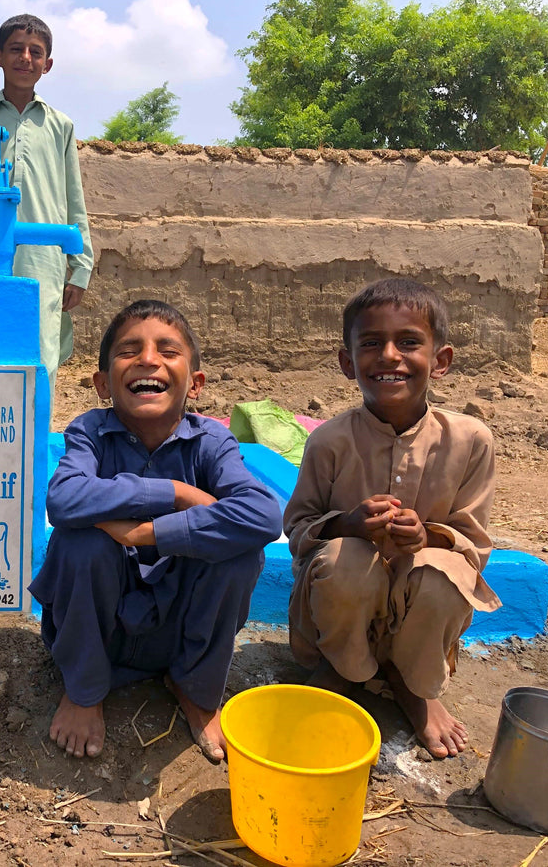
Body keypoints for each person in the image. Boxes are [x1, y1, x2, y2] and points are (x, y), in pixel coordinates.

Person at [29, 300, 282, 762]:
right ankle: (85, 690)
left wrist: (147, 534)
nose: (148, 359)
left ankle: (196, 689)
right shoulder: (89, 431)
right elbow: (64, 499)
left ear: (196, 384)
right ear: (103, 384)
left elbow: (263, 515)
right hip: (101, 630)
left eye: (167, 350)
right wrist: (176, 493)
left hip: (177, 628)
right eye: (129, 350)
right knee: (79, 541)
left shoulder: (212, 441)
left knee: (242, 553)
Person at [285, 278, 500, 758]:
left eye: (408, 342)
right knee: (344, 559)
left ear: (440, 361)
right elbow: (298, 527)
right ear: (347, 363)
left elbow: (474, 543)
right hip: (345, 602)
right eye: (370, 344)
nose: (388, 355)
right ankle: (344, 668)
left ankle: (412, 684)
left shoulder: (471, 441)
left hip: (418, 598)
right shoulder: (330, 441)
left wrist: (428, 537)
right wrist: (347, 525)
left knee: (445, 573)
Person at [0, 13, 94, 391]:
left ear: (48, 63)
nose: (25, 57)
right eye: (16, 49)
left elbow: (74, 199)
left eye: (35, 51)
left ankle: (35, 444)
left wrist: (81, 266)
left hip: (43, 262)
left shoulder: (60, 126)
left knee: (41, 355)